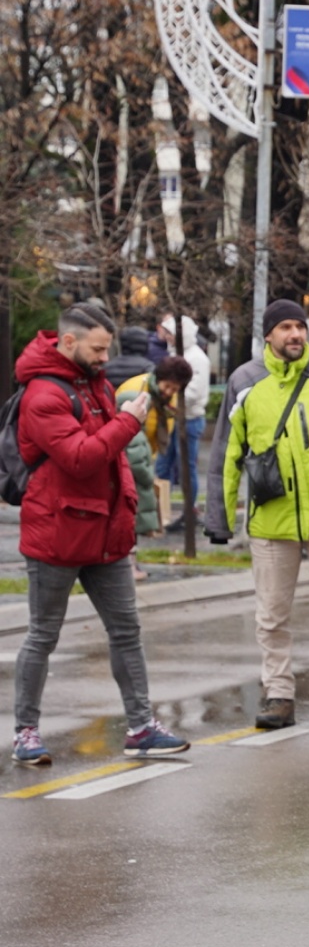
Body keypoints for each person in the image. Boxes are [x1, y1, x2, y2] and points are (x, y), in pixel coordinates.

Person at [11, 305, 188, 765]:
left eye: (107, 348)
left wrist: (128, 514)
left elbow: (115, 465)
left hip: (105, 531)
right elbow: (81, 457)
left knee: (126, 630)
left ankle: (142, 726)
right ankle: (26, 733)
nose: (105, 357)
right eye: (97, 348)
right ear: (68, 343)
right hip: (57, 532)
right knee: (43, 636)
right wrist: (129, 421)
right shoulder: (42, 394)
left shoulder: (96, 384)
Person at [206, 299, 309, 731]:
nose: (295, 334)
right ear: (268, 335)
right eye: (285, 327)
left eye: (300, 327)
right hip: (271, 520)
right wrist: (219, 518)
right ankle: (278, 693)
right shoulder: (244, 383)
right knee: (272, 613)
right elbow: (226, 453)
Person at [116, 356, 193, 568]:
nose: (169, 392)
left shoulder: (169, 400)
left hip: (145, 454)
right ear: (158, 378)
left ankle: (130, 563)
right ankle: (126, 564)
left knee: (137, 511)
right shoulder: (134, 390)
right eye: (167, 386)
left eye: (174, 389)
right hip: (125, 457)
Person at [155, 314, 211, 527]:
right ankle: (162, 511)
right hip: (174, 417)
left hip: (189, 419)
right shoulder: (178, 355)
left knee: (185, 468)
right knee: (163, 466)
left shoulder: (197, 359)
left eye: (169, 333)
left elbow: (194, 393)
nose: (166, 337)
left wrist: (166, 398)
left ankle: (189, 511)